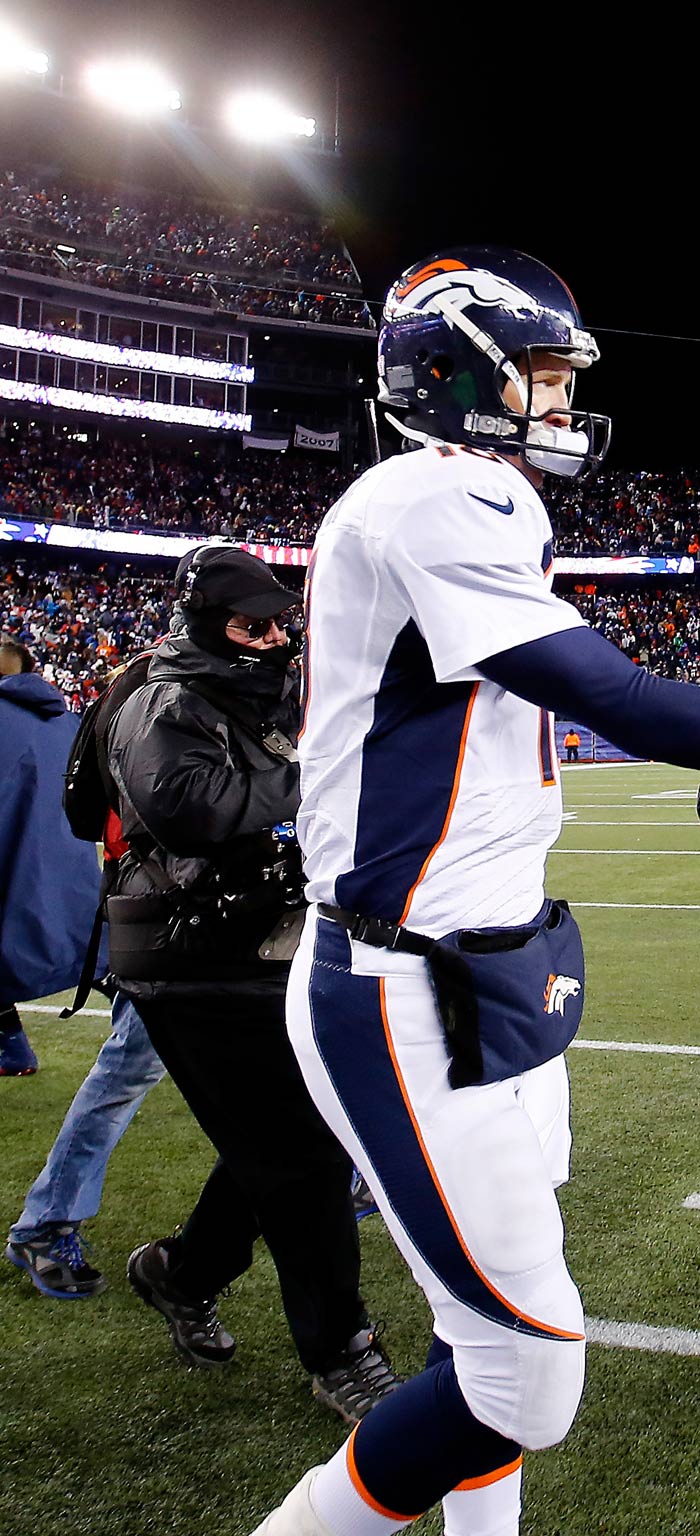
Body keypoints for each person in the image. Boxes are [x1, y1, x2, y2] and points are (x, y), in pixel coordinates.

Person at [251, 247, 700, 1536]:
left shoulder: (476, 504)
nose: (558, 403)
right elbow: (622, 701)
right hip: (399, 978)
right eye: (538, 376)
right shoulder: (430, 494)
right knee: (527, 1372)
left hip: (492, 969)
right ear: (456, 376)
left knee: (471, 1339)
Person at [106, 544, 400, 1424]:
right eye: (253, 625)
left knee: (288, 1142)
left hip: (257, 947)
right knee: (303, 1155)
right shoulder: (163, 698)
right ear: (206, 623)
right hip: (187, 961)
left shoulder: (259, 691)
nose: (275, 638)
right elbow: (191, 807)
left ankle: (181, 1273)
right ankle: (340, 1350)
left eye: (283, 623)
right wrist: (320, 774)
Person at [9, 647, 169, 1299]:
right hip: (165, 917)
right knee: (129, 1067)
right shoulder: (153, 704)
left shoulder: (141, 694)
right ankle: (45, 1223)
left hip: (174, 913)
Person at [0, 633, 103, 1081]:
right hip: (69, 860)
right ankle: (12, 1047)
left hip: (15, 852)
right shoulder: (66, 721)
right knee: (90, 952)